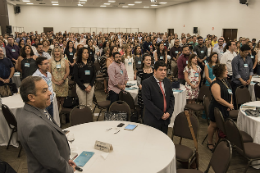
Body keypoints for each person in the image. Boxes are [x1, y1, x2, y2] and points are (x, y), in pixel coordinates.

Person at [17, 76, 76, 173]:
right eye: (44, 91)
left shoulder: (36, 109)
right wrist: (68, 169)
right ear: (31, 97)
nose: (50, 93)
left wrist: (64, 160)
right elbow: (53, 162)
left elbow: (46, 152)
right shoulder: (36, 126)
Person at [142, 61, 175, 134]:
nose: (163, 72)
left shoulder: (167, 81)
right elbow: (147, 102)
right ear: (155, 71)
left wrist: (169, 112)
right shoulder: (146, 83)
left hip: (165, 120)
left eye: (165, 70)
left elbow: (171, 98)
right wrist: (160, 114)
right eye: (161, 70)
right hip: (153, 120)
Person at [207, 64, 234, 151]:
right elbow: (218, 98)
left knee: (220, 126)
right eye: (225, 70)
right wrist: (229, 105)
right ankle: (209, 142)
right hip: (216, 108)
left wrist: (230, 103)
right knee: (213, 125)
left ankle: (217, 142)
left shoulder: (224, 80)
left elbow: (230, 93)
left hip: (225, 107)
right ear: (220, 72)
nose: (227, 71)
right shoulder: (215, 83)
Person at [231, 44, 253, 109]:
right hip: (237, 83)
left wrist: (250, 79)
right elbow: (235, 72)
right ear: (241, 51)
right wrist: (241, 80)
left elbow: (251, 69)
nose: (247, 53)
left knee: (244, 98)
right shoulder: (236, 59)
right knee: (237, 99)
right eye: (245, 52)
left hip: (246, 82)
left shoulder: (249, 59)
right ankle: (236, 111)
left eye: (248, 52)